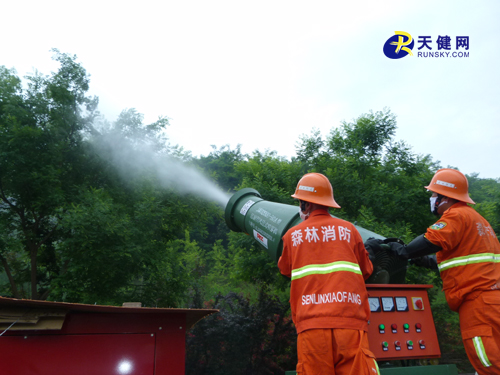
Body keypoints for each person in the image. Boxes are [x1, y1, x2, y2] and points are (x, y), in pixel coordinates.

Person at [366, 168, 500, 375]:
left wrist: (404, 251)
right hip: (492, 299)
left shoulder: (456, 215)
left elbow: (431, 239)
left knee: (487, 360)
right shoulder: (478, 220)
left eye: (434, 194)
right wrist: (427, 262)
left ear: (445, 197)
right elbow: (465, 262)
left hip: (478, 302)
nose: (432, 198)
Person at [278, 173, 379, 375]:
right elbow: (367, 271)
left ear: (305, 204)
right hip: (349, 325)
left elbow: (285, 269)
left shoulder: (291, 236)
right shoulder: (349, 230)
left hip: (311, 327)